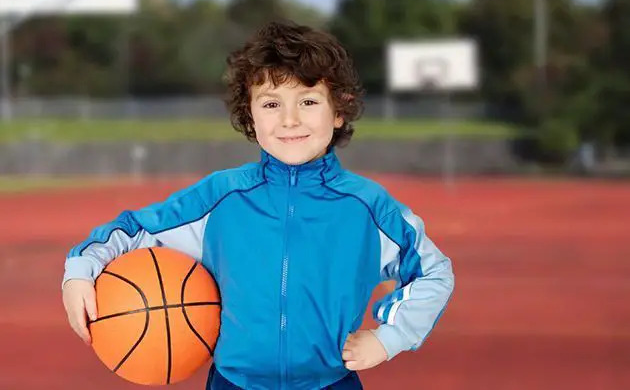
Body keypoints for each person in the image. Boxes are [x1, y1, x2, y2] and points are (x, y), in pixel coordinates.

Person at [62, 21, 455, 390]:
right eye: (271, 104)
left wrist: (388, 338)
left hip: (330, 382)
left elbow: (434, 272)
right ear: (249, 113)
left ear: (338, 110)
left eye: (308, 101)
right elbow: (132, 230)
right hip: (233, 382)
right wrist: (80, 271)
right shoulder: (220, 197)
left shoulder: (367, 207)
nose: (289, 120)